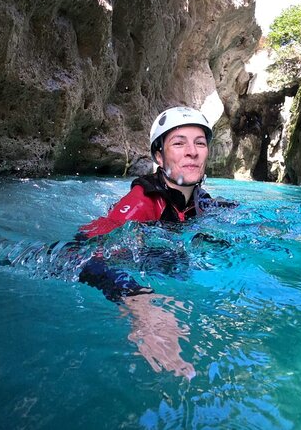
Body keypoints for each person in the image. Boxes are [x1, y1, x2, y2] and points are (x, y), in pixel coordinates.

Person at [76, 106, 234, 380]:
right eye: (179, 143)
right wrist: (139, 302)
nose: (192, 151)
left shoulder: (203, 202)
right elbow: (83, 255)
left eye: (200, 143)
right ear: (159, 156)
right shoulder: (142, 203)